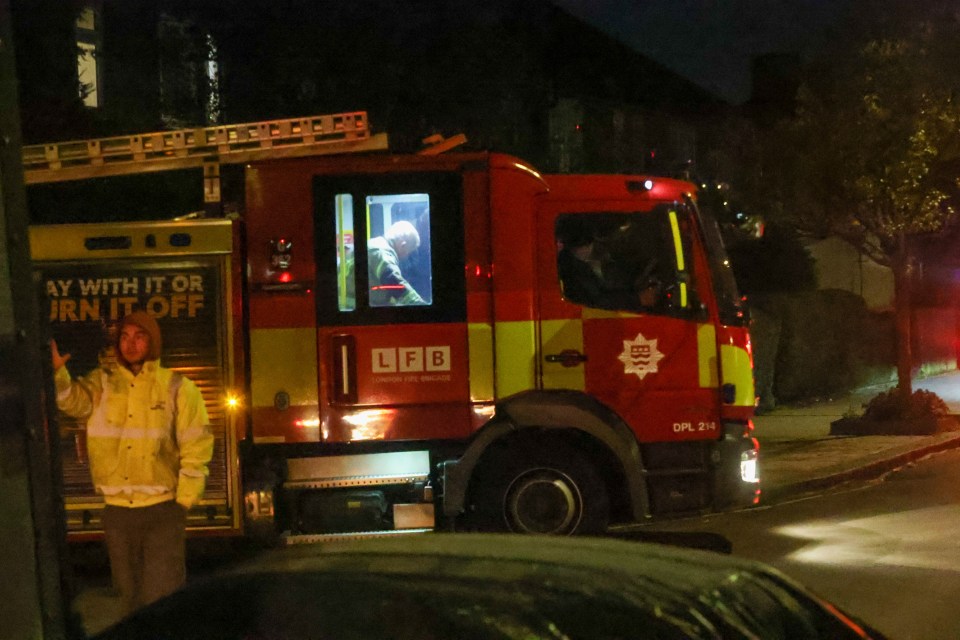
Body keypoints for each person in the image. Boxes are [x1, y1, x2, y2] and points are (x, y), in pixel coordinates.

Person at [51, 310, 214, 616]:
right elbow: (72, 402)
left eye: (140, 336)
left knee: (162, 598)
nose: (130, 343)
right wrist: (59, 375)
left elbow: (197, 444)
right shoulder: (102, 382)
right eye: (124, 336)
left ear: (153, 341)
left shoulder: (178, 387)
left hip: (162, 510)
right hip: (117, 514)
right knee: (127, 602)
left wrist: (185, 500)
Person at [368, 220, 427, 306]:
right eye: (408, 251)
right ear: (402, 245)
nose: (405, 256)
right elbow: (392, 278)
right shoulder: (382, 252)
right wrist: (419, 304)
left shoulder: (374, 244)